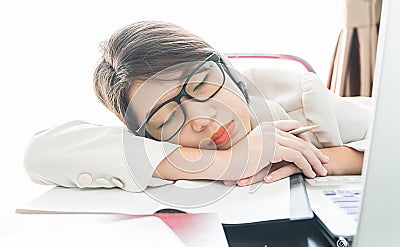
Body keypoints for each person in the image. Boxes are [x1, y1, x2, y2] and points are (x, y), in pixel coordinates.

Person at [23, 21, 372, 192]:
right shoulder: (154, 147)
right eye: (167, 117)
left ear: (227, 70)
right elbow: (40, 153)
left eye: (201, 85)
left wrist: (322, 160)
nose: (201, 119)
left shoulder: (296, 94)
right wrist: (230, 161)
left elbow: (387, 134)